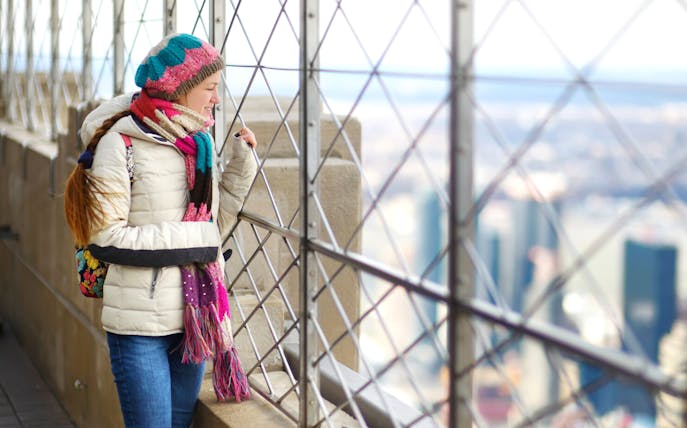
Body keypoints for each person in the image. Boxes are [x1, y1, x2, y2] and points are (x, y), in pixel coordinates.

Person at [64, 33, 256, 428]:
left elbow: (211, 229)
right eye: (210, 88)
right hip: (139, 326)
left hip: (193, 321)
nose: (217, 99)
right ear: (181, 88)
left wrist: (240, 167)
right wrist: (198, 241)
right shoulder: (120, 144)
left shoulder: (197, 141)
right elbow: (107, 237)